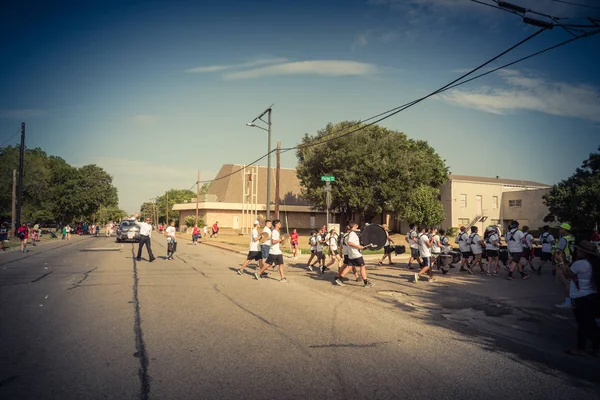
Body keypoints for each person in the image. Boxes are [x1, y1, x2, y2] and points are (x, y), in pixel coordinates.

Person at [557, 240, 599, 356]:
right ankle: (594, 347)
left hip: (581, 298)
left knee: (583, 324)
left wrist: (561, 262)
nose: (577, 251)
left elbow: (567, 275)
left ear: (584, 252)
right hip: (591, 295)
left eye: (580, 250)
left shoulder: (580, 264)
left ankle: (581, 348)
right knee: (590, 322)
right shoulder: (593, 263)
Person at [334, 222, 375, 287]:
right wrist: (359, 247)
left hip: (351, 254)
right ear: (354, 226)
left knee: (349, 267)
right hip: (355, 254)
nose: (357, 226)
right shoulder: (352, 234)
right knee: (362, 266)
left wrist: (360, 247)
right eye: (356, 225)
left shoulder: (349, 234)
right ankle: (366, 283)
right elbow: (350, 243)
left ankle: (339, 279)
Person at [555, 223, 576, 308]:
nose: (559, 230)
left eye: (561, 229)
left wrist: (560, 262)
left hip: (564, 262)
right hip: (571, 261)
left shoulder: (564, 239)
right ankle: (573, 300)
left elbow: (558, 252)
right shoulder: (572, 238)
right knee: (571, 282)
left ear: (565, 230)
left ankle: (568, 302)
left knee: (565, 282)